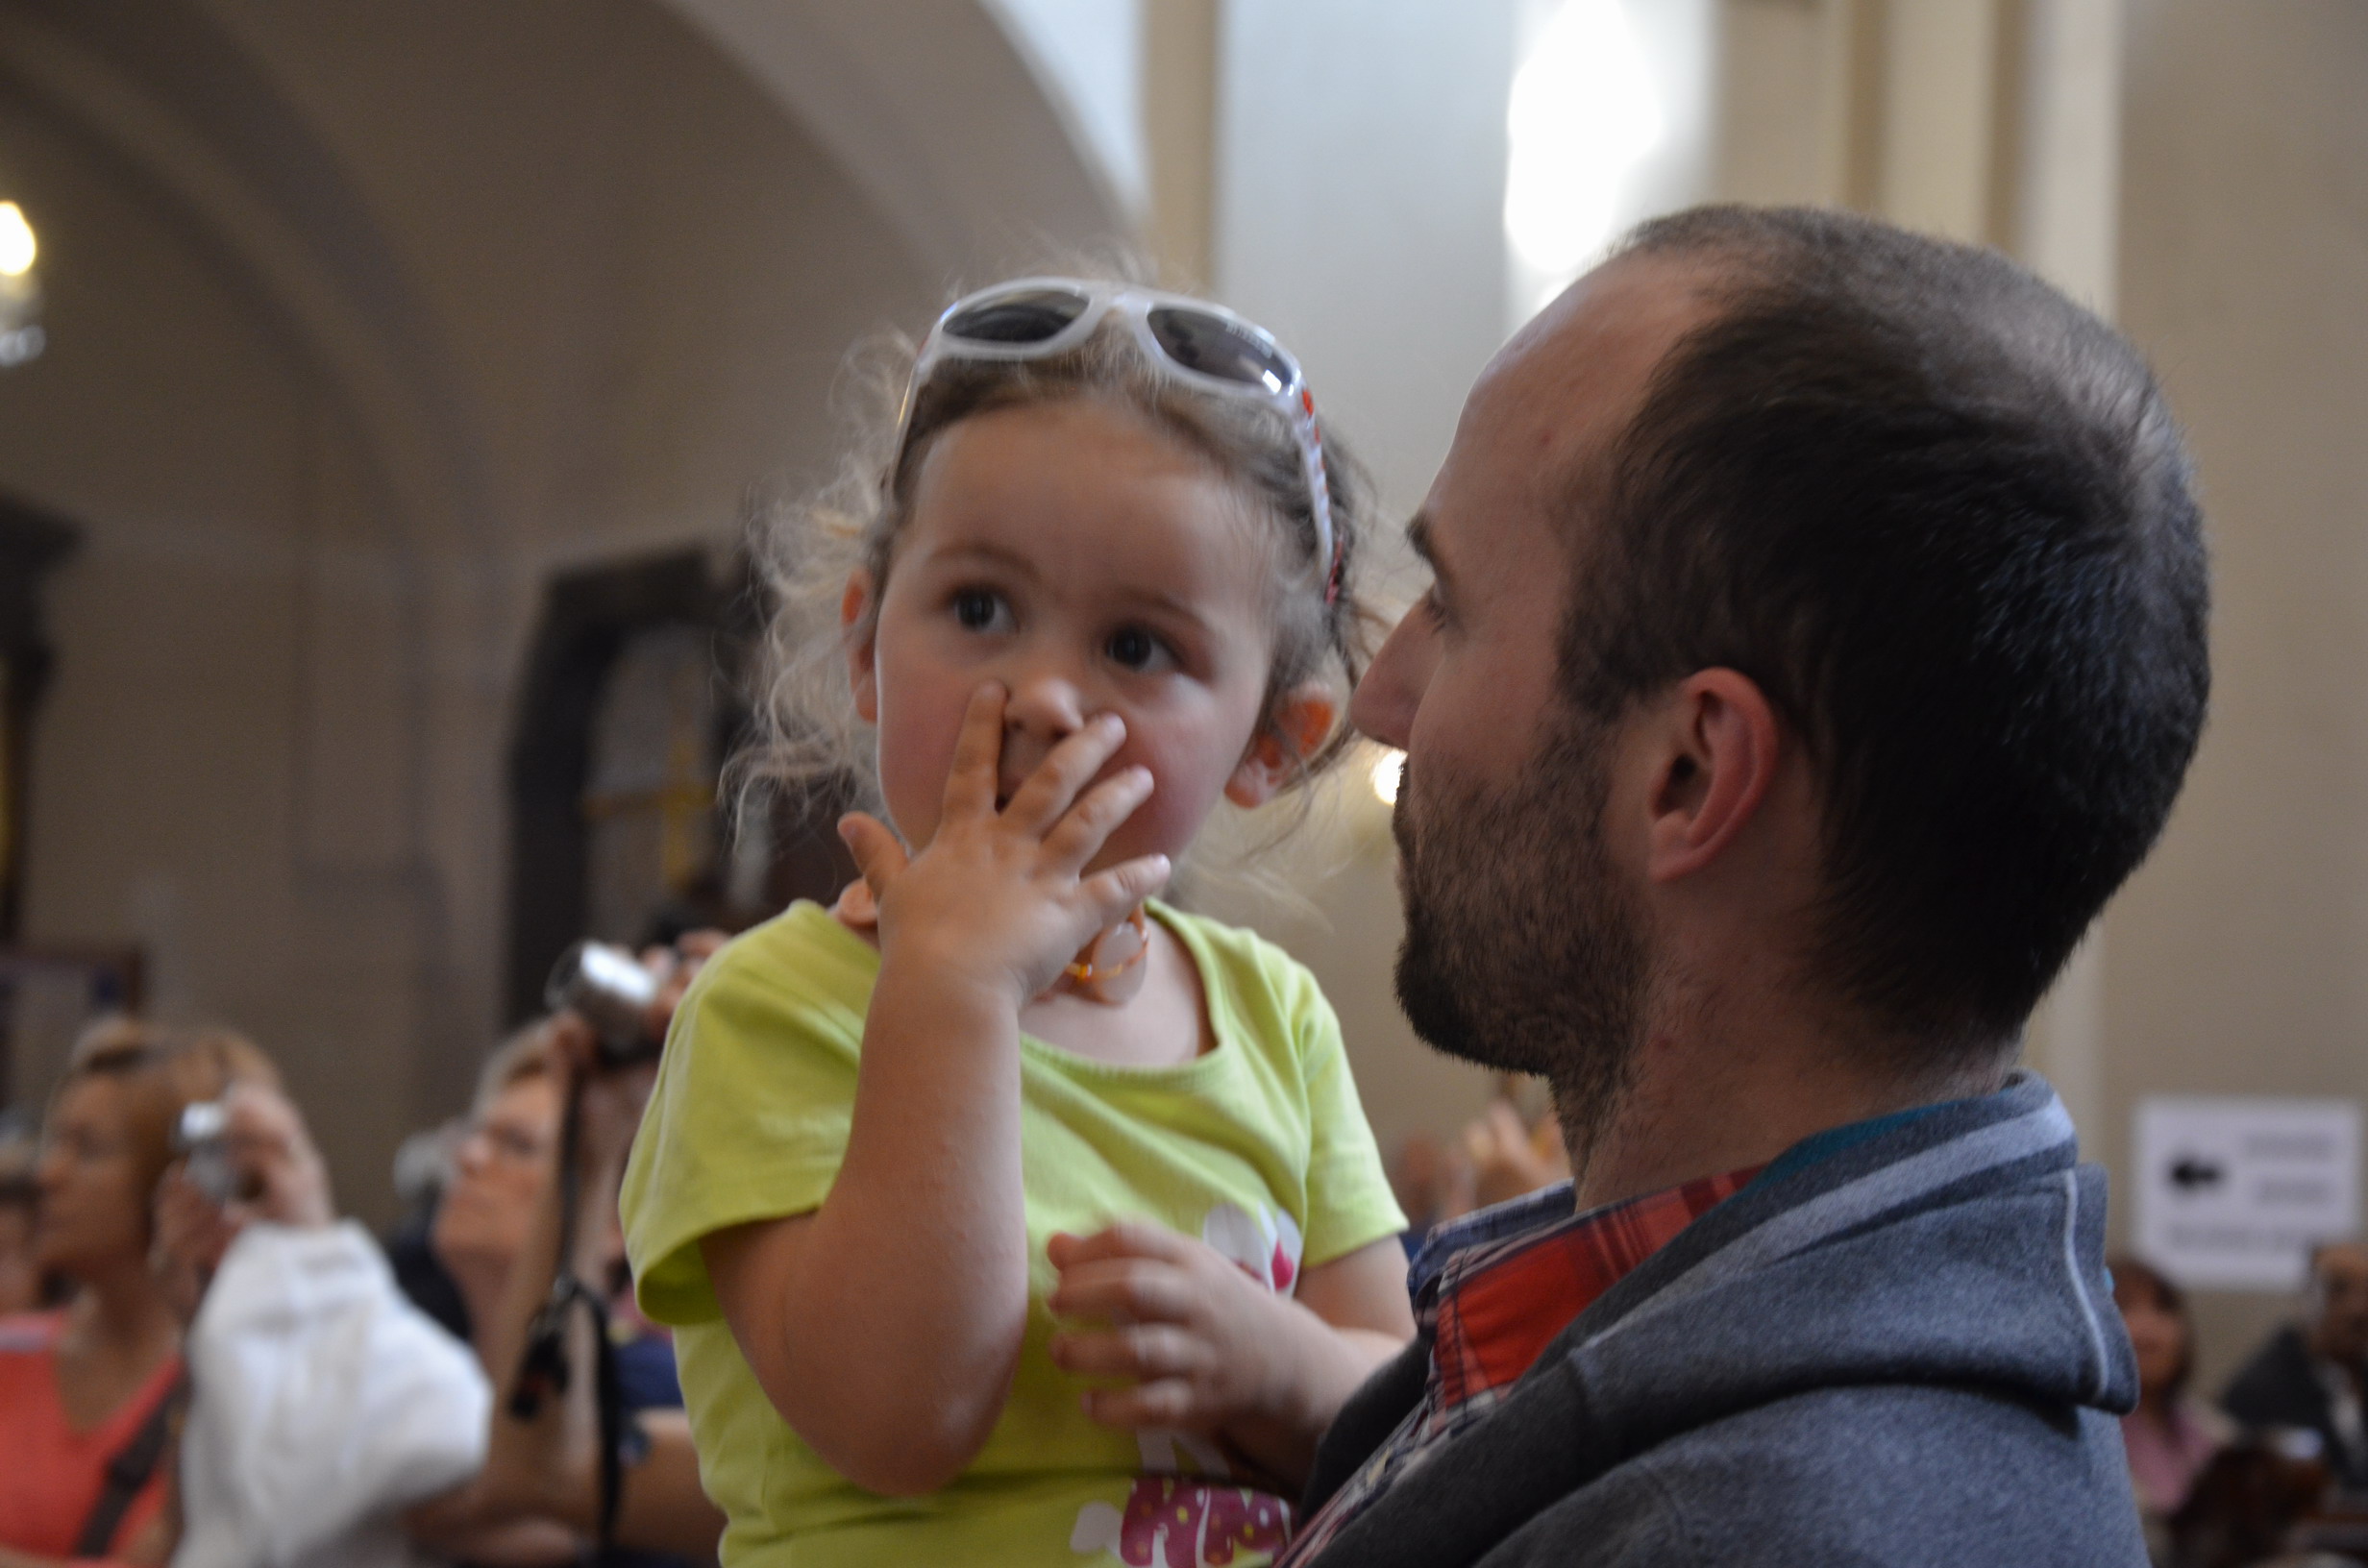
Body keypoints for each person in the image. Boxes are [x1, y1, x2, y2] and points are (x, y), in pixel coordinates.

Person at [1282, 204, 2209, 1565]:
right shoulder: (1736, 1379)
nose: (1382, 699)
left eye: (1454, 606)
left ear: (1690, 773)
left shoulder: (1760, 1531)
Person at [620, 278, 1415, 1564]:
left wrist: (1280, 1361)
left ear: (1272, 738)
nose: (1042, 692)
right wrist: (954, 991)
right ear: (868, 647)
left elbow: (1406, 1417)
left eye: (1138, 646)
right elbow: (899, 1419)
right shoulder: (771, 1007)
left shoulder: (1274, 1020)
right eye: (980, 609)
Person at [155, 1077, 490, 1568]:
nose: (468, 1155)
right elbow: (212, 1525)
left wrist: (311, 1245)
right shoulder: (409, 1287)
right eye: (475, 1132)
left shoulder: (435, 1371)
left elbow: (271, 1512)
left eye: (516, 1143)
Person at [0, 1020, 268, 1566]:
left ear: (178, 1180)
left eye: (87, 1149)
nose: (47, 1174)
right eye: (54, 1142)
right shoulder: (10, 1349)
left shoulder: (234, 1381)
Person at [2222, 1241, 2368, 1489]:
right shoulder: (2261, 1391)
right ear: (2307, 1297)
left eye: (2366, 1291)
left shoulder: (2359, 1376)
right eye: (2338, 1289)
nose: (2359, 1309)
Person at [2112, 1257, 2230, 1557]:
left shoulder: (2214, 1432)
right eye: (2125, 1308)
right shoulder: (2080, 1438)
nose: (2148, 1331)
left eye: (2161, 1309)